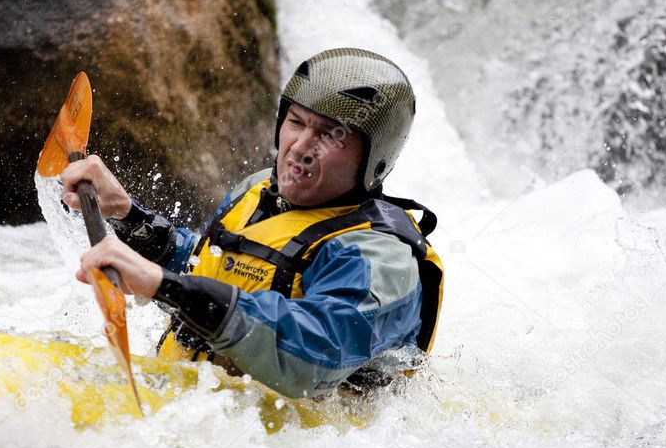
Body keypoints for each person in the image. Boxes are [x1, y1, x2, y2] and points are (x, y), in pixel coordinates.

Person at [61, 48, 444, 398]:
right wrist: (127, 215)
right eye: (296, 122)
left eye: (330, 135)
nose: (300, 147)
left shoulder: (381, 259)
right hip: (198, 407)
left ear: (375, 158)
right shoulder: (259, 191)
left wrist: (168, 288)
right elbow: (207, 267)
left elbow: (313, 357)